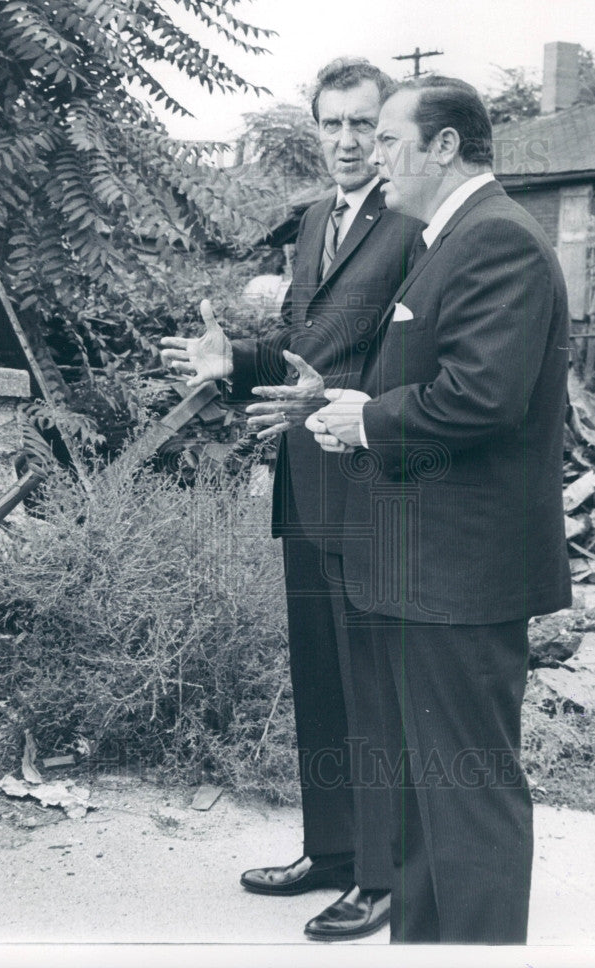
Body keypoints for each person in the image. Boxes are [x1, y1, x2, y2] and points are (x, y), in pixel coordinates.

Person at [159, 58, 424, 942]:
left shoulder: (418, 222)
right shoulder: (315, 219)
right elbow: (304, 344)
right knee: (320, 678)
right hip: (306, 483)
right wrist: (231, 358)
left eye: (364, 126)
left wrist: (280, 370)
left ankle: (384, 877)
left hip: (377, 485)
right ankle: (334, 850)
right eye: (332, 125)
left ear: (388, 131)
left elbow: (381, 356)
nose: (347, 142)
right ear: (316, 129)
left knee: (375, 685)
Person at [306, 75, 572, 943]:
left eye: (387, 139)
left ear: (446, 146)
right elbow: (429, 379)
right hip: (422, 566)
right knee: (426, 798)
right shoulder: (445, 236)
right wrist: (352, 402)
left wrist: (367, 420)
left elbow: (482, 398)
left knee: (466, 795)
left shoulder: (495, 237)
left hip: (459, 573)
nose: (373, 159)